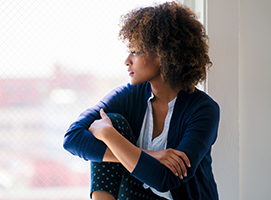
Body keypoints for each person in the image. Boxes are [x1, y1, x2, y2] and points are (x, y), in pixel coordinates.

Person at [63, 2, 220, 200]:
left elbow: (167, 179)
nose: (127, 60)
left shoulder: (203, 110)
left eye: (135, 52)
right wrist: (150, 154)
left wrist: (107, 133)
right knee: (115, 121)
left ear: (164, 55)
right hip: (136, 195)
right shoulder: (129, 95)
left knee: (110, 129)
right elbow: (72, 138)